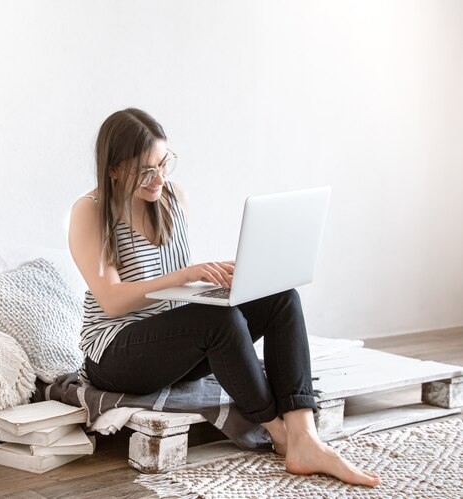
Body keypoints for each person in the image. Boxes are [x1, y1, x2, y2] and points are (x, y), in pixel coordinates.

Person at [68, 108, 381, 487]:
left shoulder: (171, 197)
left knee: (281, 297)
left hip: (172, 347)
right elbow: (113, 301)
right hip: (115, 354)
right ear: (114, 169)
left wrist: (224, 285)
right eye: (146, 171)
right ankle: (279, 433)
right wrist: (188, 274)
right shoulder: (91, 210)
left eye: (164, 164)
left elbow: (174, 295)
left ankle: (304, 435)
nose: (160, 178)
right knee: (216, 321)